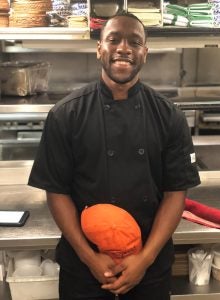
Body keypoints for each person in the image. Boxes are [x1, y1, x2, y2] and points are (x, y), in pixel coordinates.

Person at [28, 12, 200, 300]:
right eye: (113, 39)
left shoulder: (169, 116)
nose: (123, 48)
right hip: (84, 268)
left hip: (149, 266)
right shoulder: (66, 114)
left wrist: (144, 259)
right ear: (99, 50)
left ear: (144, 54)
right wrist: (90, 258)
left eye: (134, 42)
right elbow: (57, 192)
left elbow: (175, 193)